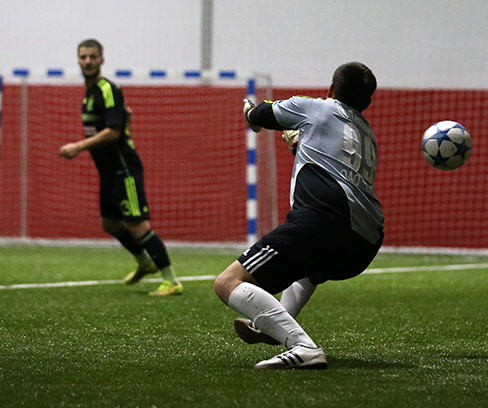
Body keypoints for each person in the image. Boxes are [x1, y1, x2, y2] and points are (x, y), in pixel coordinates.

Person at [214, 62, 384, 369]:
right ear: (367, 102)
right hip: (365, 244)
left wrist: (250, 112)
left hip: (324, 222)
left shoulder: (316, 108)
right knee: (309, 264)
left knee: (228, 282)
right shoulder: (367, 135)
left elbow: (261, 114)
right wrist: (299, 144)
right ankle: (272, 325)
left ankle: (303, 346)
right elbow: (331, 167)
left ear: (331, 89)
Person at [59, 39, 182, 296]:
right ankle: (144, 263)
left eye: (93, 57)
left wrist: (79, 146)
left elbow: (114, 132)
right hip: (107, 172)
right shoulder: (90, 93)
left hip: (124, 169)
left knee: (138, 226)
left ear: (102, 59)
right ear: (78, 60)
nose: (88, 61)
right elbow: (120, 120)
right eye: (83, 57)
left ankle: (171, 280)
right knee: (111, 224)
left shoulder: (107, 89)